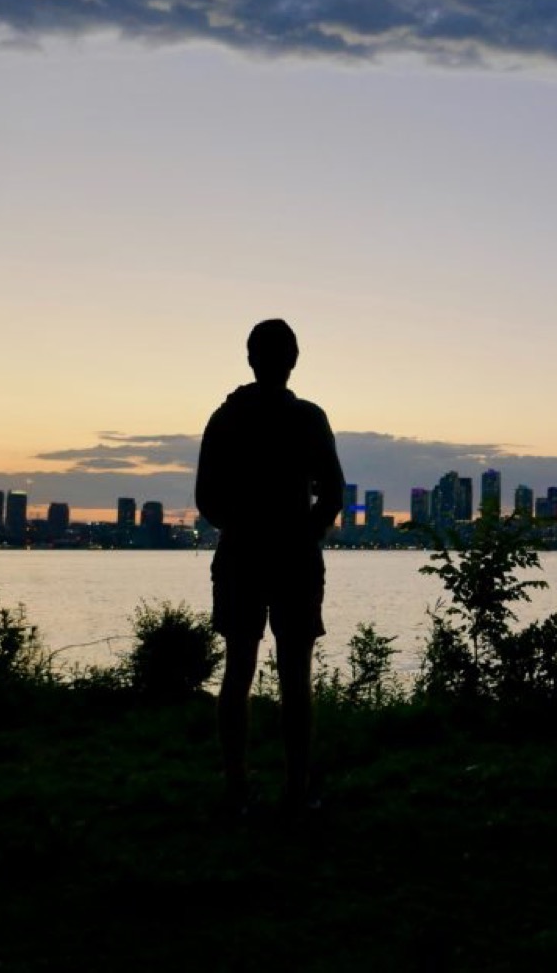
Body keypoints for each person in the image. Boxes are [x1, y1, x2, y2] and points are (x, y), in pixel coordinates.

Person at [196, 319, 344, 814]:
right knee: (295, 675)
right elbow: (334, 491)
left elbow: (205, 498)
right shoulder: (308, 417)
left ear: (250, 359)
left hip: (240, 554)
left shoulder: (225, 419)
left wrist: (239, 527)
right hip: (295, 558)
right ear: (294, 359)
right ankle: (296, 790)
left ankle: (237, 789)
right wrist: (306, 531)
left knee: (237, 670)